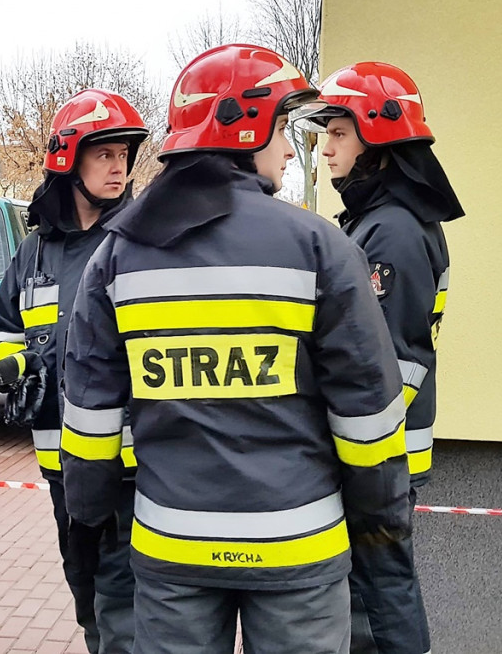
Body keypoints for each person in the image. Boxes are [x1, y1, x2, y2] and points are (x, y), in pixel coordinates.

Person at [61, 44, 419, 654]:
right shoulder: (319, 246)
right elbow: (366, 415)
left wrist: (91, 521)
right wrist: (380, 520)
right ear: (244, 126)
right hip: (298, 548)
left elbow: (90, 422)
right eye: (283, 128)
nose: (289, 148)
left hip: (171, 548)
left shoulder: (116, 255)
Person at [294, 61, 464, 654]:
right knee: (377, 590)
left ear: (379, 137)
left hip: (379, 454)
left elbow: (387, 363)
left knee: (376, 600)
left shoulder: (389, 232)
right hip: (381, 448)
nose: (326, 148)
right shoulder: (382, 220)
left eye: (339, 133)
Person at [0, 89, 148, 654]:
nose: (119, 164)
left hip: (132, 466)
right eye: (104, 152)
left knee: (123, 600)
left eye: (124, 152)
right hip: (63, 466)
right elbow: (11, 326)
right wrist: (14, 368)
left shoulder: (141, 240)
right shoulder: (33, 253)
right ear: (68, 159)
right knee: (85, 589)